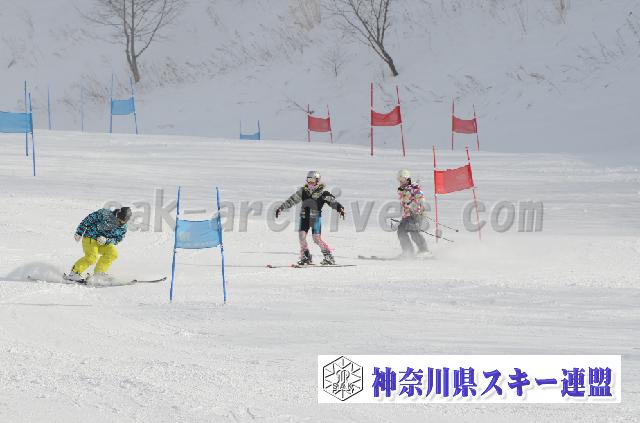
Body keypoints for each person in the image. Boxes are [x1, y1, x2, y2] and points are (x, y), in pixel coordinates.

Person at [275, 171, 345, 265]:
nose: (310, 182)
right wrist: (281, 208)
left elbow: (333, 202)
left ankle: (328, 256)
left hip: (315, 218)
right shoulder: (303, 191)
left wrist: (340, 208)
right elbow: (292, 200)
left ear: (317, 181)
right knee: (302, 237)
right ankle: (306, 256)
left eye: (313, 180)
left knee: (316, 238)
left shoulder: (323, 193)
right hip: (304, 217)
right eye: (309, 180)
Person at [67, 207, 132, 281]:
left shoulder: (123, 228)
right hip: (90, 237)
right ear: (117, 214)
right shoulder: (105, 214)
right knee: (92, 257)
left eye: (122, 222)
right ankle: (74, 273)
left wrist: (107, 240)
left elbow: (118, 239)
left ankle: (99, 273)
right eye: (118, 220)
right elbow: (88, 220)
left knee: (113, 254)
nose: (119, 222)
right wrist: (79, 232)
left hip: (103, 243)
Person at [396, 169, 430, 258]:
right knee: (401, 231)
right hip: (407, 215)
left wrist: (422, 206)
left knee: (413, 231)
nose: (400, 180)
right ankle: (408, 251)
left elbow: (420, 196)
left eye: (402, 178)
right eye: (399, 179)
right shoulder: (402, 189)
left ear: (406, 178)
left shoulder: (413, 187)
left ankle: (424, 250)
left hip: (416, 213)